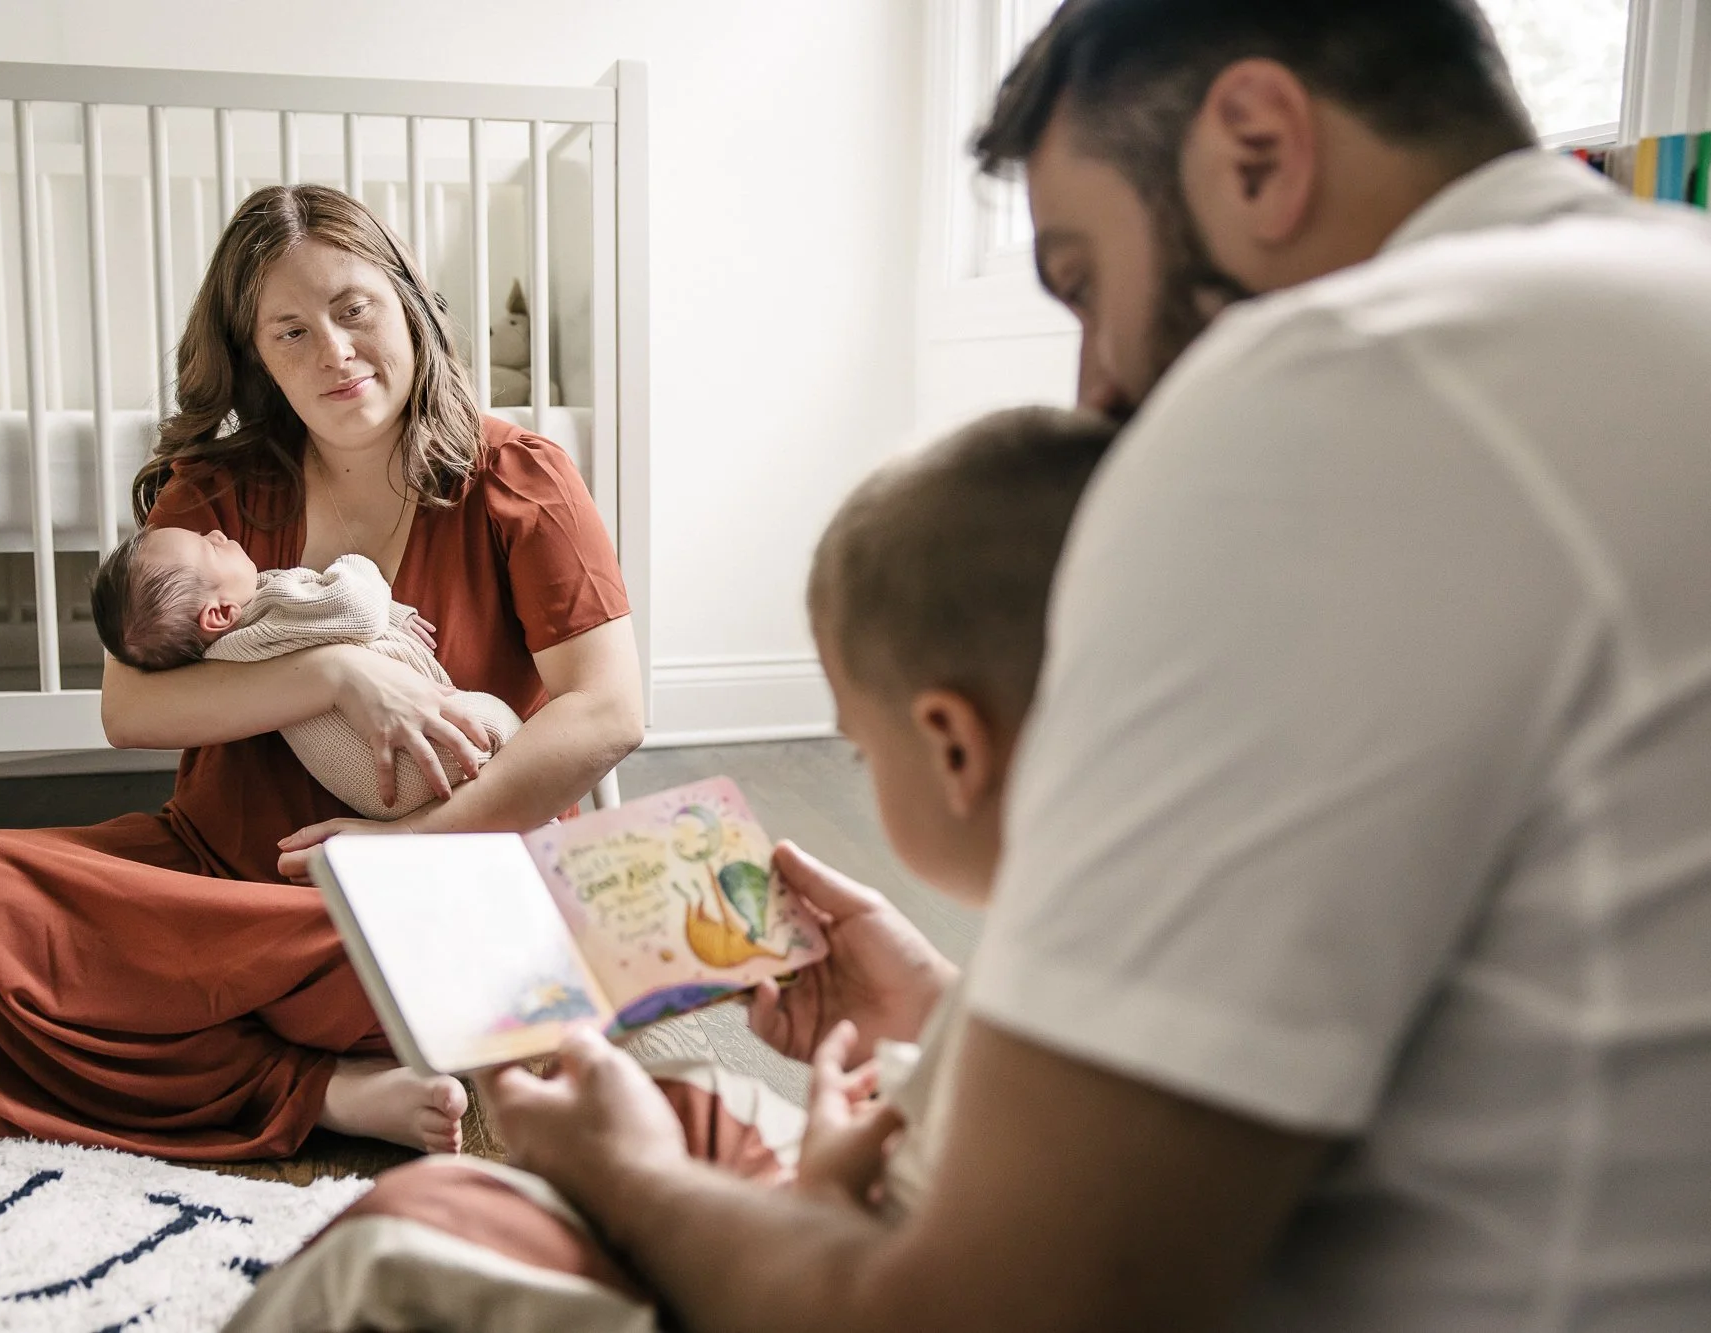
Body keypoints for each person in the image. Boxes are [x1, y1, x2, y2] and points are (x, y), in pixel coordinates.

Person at [470, 1, 1711, 1329]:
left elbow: (991, 1309)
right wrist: (954, 1008)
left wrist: (617, 1169)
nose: (1096, 386)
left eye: (1085, 279)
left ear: (1258, 149)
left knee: (427, 1237)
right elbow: (1496, 983)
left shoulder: (1341, 391)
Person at [225, 405, 1121, 1333]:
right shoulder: (1103, 939)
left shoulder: (1127, 1008)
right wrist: (929, 1011)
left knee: (398, 1238)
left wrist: (635, 1178)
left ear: (952, 747)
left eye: (859, 748)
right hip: (904, 1202)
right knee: (690, 1095)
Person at [0, 184, 644, 1161]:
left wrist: (397, 849)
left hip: (425, 886)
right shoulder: (219, 492)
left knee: (485, 949)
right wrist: (333, 675)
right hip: (217, 883)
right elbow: (130, 707)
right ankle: (315, 1087)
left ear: (407, 300)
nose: (332, 351)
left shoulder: (519, 477)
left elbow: (608, 710)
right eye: (289, 331)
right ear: (257, 359)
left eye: (352, 308)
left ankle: (221, 1037)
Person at [90, 527, 523, 819]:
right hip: (421, 757)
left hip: (376, 793)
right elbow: (356, 609)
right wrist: (356, 565)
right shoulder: (275, 604)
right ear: (221, 613)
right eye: (210, 547)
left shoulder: (221, 659)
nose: (218, 533)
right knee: (509, 728)